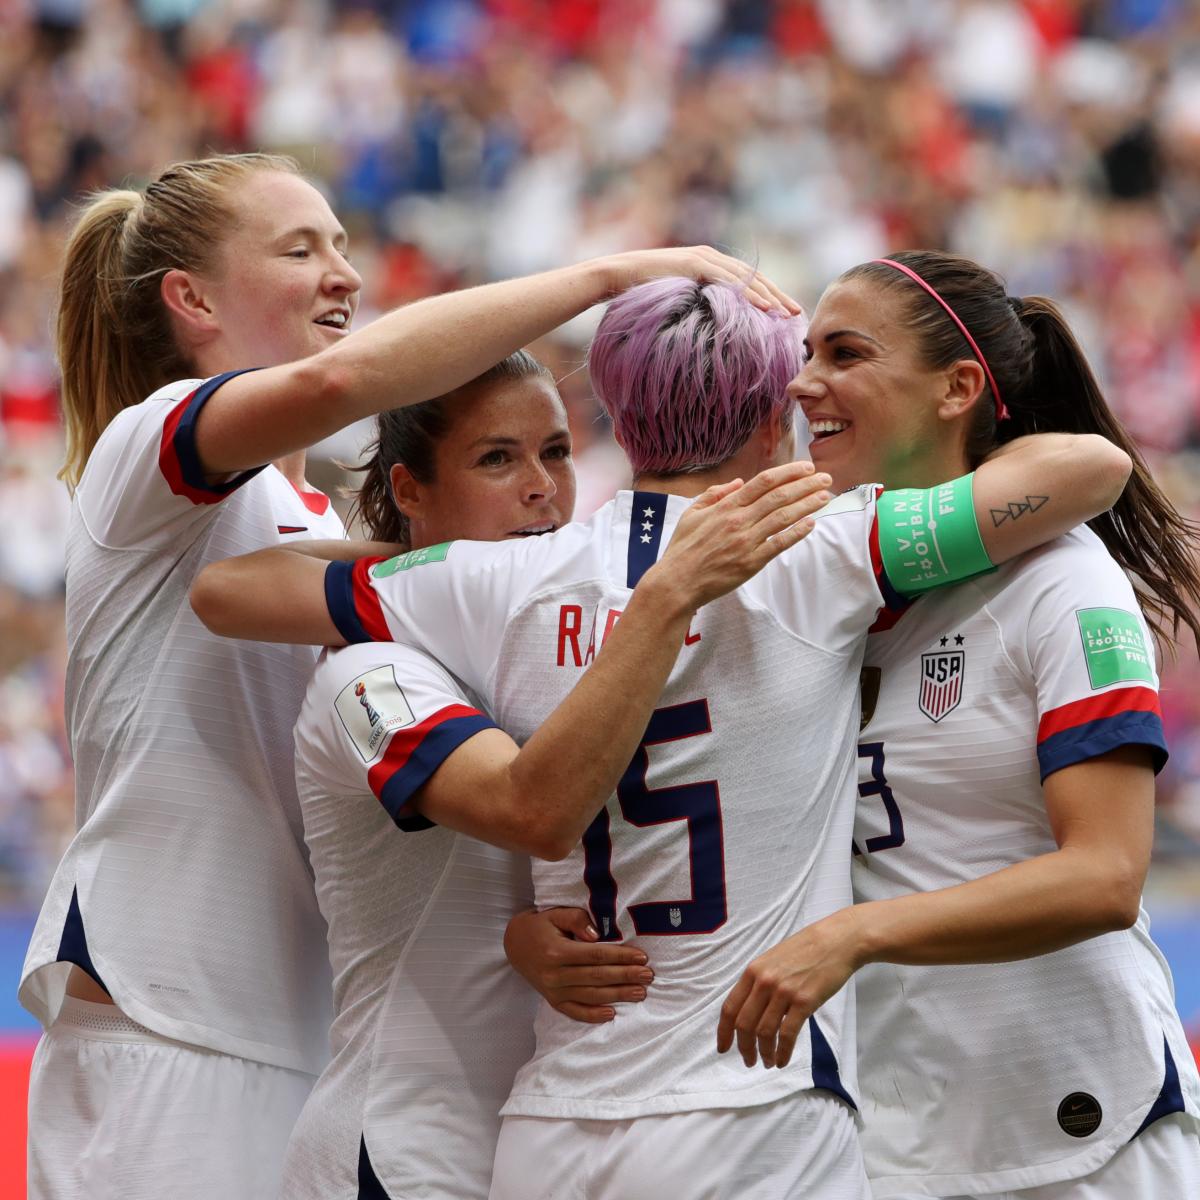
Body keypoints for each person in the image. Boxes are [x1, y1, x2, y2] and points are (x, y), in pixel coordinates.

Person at [191, 275, 1130, 1199]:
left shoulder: (494, 582)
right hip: (748, 1106)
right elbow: (1090, 468)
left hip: (552, 1119)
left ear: (618, 416)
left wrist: (441, 563)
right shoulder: (827, 546)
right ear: (768, 424)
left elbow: (228, 590)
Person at [19, 147, 797, 1200]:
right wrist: (610, 277)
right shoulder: (145, 448)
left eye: (341, 244)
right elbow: (341, 386)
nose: (343, 272)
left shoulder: (336, 544)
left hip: (297, 1025)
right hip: (169, 1016)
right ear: (192, 299)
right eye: (300, 250)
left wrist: (521, 934)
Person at [274, 349, 832, 1199]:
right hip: (405, 1150)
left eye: (558, 452)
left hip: (544, 1139)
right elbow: (530, 810)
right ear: (410, 490)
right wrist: (512, 941)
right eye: (497, 458)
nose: (541, 487)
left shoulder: (562, 637)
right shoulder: (366, 673)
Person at [705, 251, 1200, 1199]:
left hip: (1087, 1128)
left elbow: (1104, 874)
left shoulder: (1063, 580)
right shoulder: (818, 586)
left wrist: (854, 934)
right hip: (899, 1134)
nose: (805, 383)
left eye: (846, 353)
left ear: (958, 388)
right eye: (806, 355)